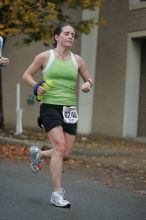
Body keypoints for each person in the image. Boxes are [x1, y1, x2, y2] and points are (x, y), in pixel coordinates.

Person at [22, 23, 93, 208]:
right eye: (67, 33)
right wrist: (37, 86)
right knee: (59, 146)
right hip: (50, 107)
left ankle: (38, 154)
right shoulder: (45, 56)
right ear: (57, 37)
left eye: (73, 35)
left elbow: (88, 78)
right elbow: (27, 75)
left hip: (70, 108)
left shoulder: (77, 60)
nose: (71, 37)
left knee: (66, 153)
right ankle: (56, 194)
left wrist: (88, 85)